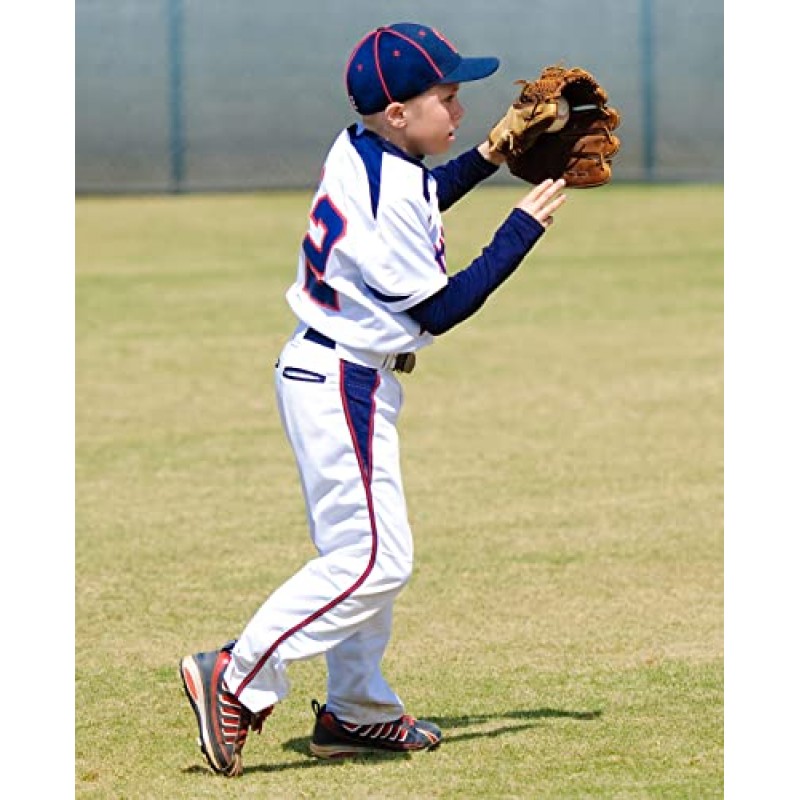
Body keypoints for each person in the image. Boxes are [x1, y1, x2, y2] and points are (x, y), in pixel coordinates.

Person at [179, 21, 567, 778]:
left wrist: (488, 156)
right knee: (376, 559)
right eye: (447, 97)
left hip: (342, 372)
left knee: (362, 552)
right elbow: (439, 311)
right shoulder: (385, 185)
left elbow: (424, 192)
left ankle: (356, 710)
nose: (458, 110)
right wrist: (522, 228)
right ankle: (237, 672)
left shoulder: (367, 150)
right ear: (399, 113)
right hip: (340, 379)